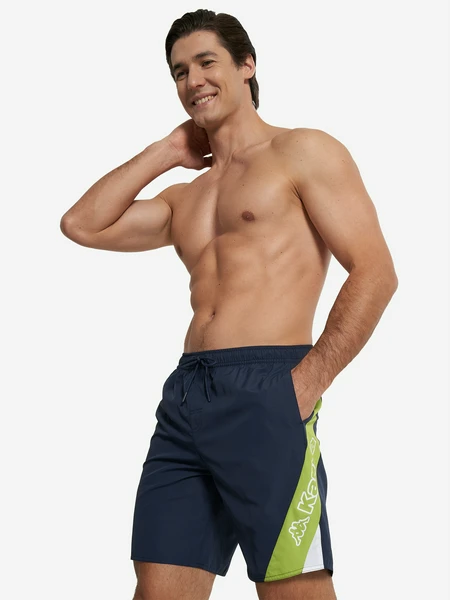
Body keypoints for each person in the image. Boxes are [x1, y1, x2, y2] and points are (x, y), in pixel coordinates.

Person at [60, 8, 398, 600]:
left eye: (206, 62)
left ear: (247, 65)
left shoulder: (303, 151)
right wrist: (167, 149)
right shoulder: (184, 198)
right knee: (157, 590)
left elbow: (376, 272)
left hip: (271, 386)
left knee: (293, 588)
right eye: (179, 71)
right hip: (187, 397)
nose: (193, 80)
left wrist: (307, 383)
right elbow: (81, 224)